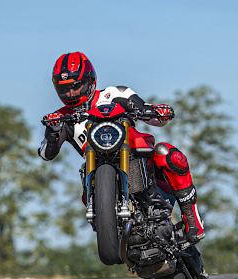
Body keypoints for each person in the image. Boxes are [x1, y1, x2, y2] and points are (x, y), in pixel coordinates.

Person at [38, 52, 205, 244]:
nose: (71, 94)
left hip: (137, 155)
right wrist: (51, 131)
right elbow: (45, 154)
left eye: (76, 86)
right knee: (85, 186)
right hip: (96, 171)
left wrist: (156, 111)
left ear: (90, 80)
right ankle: (110, 223)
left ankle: (192, 217)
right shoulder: (61, 117)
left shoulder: (115, 94)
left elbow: (150, 115)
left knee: (167, 154)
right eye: (64, 89)